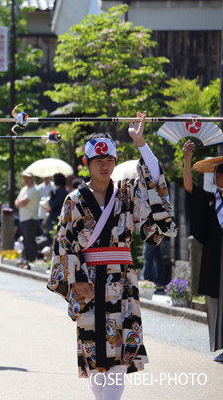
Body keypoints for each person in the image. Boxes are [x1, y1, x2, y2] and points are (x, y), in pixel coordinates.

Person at [47, 112, 177, 400]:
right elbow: (63, 241)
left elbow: (155, 183)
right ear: (87, 164)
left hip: (123, 282)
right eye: (97, 161)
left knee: (120, 355)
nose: (104, 166)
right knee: (94, 356)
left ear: (115, 162)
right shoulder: (74, 200)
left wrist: (140, 142)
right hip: (88, 283)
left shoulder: (128, 194)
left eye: (109, 161)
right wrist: (76, 277)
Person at [182, 139, 223, 363]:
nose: (222, 178)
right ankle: (221, 346)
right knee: (216, 301)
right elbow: (189, 188)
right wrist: (188, 159)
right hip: (214, 259)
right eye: (220, 174)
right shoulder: (208, 200)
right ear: (214, 178)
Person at [14, 171, 40, 263]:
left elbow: (22, 202)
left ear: (32, 178)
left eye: (28, 178)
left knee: (30, 241)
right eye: (24, 178)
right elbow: (17, 202)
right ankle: (27, 260)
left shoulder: (34, 190)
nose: (26, 180)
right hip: (24, 219)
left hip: (31, 219)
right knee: (25, 241)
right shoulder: (24, 189)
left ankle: (31, 261)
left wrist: (20, 202)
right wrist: (20, 202)